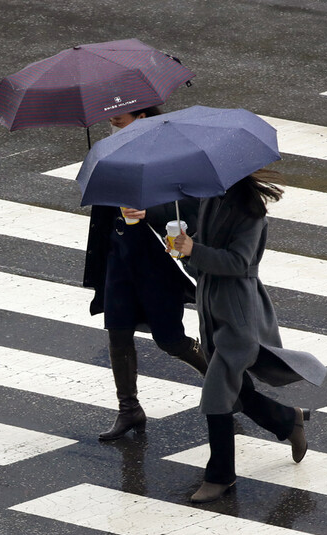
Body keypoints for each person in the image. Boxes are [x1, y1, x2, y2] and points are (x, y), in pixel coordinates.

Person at [173, 170, 326, 503]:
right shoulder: (211, 199)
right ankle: (289, 420)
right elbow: (202, 257)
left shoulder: (250, 211)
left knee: (216, 394)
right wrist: (185, 249)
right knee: (236, 390)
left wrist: (193, 249)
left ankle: (221, 476)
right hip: (211, 309)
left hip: (239, 315)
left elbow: (240, 262)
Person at [83, 105, 208, 441]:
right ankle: (130, 410)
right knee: (118, 334)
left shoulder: (167, 153)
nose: (112, 116)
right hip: (118, 259)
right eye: (110, 112)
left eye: (121, 113)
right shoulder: (110, 151)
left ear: (142, 116)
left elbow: (189, 208)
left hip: (155, 264)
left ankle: (227, 386)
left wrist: (149, 210)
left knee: (170, 339)